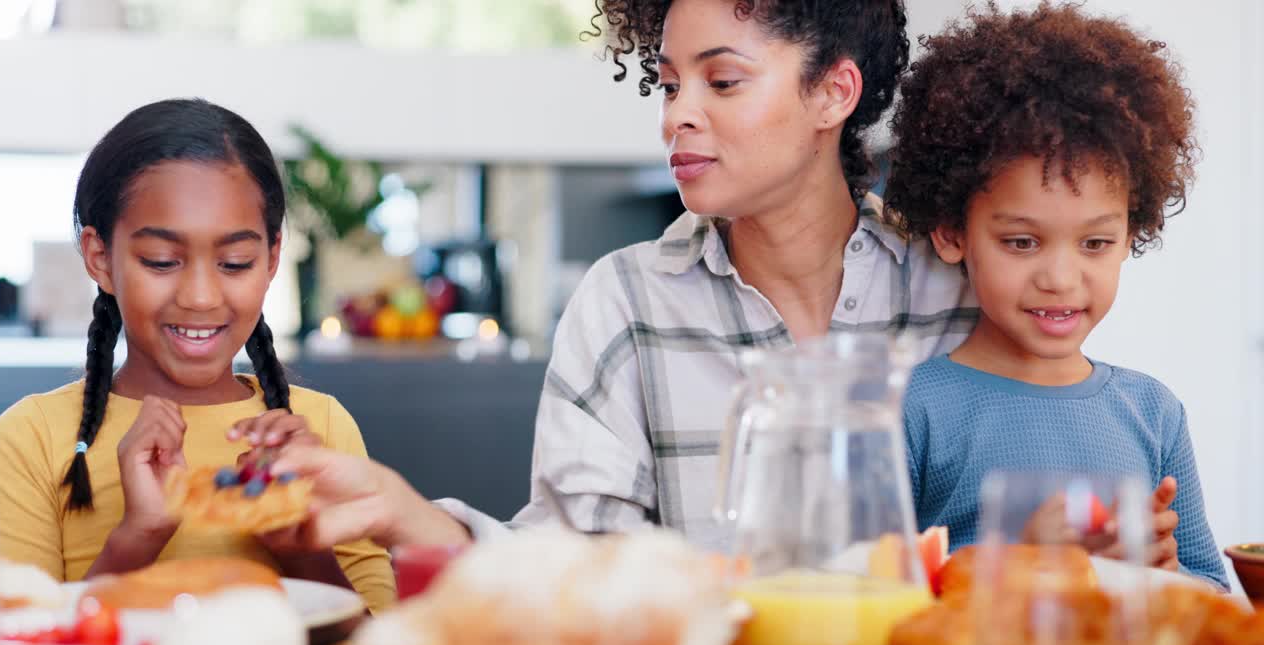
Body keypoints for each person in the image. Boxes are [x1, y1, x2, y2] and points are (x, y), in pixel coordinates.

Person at [256, 0, 977, 553]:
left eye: (722, 81)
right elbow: (575, 567)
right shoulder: (625, 303)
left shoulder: (954, 288)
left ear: (833, 93)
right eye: (667, 86)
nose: (677, 117)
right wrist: (405, 514)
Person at [0, 98, 396, 610]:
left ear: (271, 259)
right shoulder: (34, 439)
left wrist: (300, 546)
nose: (200, 296)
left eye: (234, 262)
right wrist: (135, 538)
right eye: (161, 261)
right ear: (100, 258)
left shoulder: (322, 429)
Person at [883, 3, 1227, 588]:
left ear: (1131, 237)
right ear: (951, 233)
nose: (1061, 279)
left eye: (1095, 243)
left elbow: (1212, 593)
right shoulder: (913, 409)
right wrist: (1017, 564)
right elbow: (871, 596)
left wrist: (1167, 575)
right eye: (1022, 242)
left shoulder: (1153, 412)